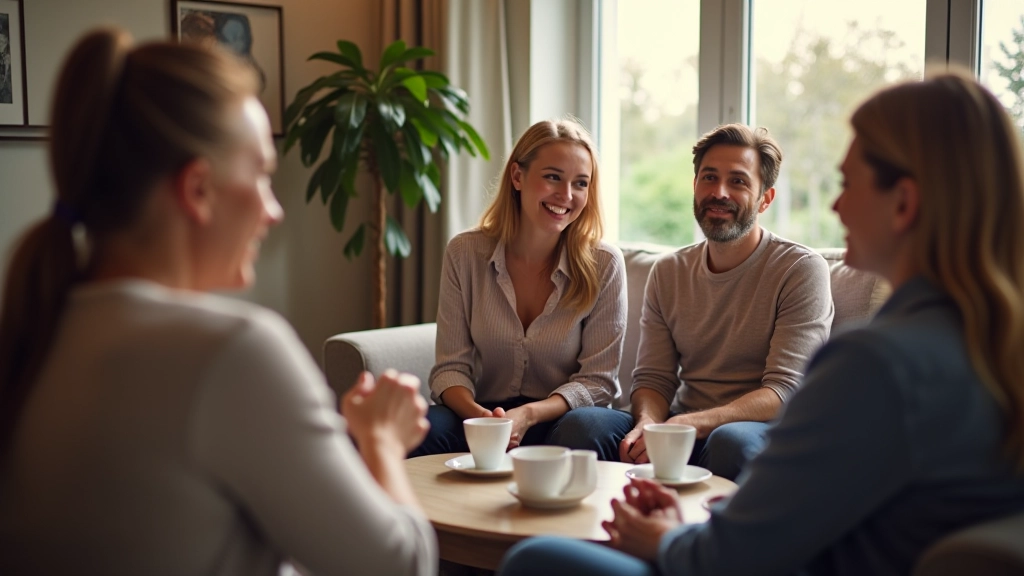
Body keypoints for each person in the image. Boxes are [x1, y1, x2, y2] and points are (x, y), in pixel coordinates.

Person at [497, 69, 1024, 576]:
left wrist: (666, 539)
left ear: (904, 203)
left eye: (847, 183)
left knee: (533, 561)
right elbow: (812, 511)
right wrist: (679, 502)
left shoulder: (878, 361)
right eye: (709, 177)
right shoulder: (987, 338)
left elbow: (734, 555)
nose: (836, 206)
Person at [0, 28, 436, 576]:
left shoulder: (33, 328)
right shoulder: (234, 351)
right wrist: (380, 441)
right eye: (261, 174)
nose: (273, 211)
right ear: (198, 190)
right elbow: (399, 568)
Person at [557, 123, 833, 480]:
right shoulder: (669, 271)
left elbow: (784, 391)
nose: (719, 192)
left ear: (766, 198)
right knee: (583, 424)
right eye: (709, 177)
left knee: (728, 441)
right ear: (694, 185)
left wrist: (692, 424)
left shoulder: (801, 269)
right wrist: (649, 425)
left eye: (738, 181)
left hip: (753, 431)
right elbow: (654, 379)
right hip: (681, 427)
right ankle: (590, 531)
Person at [410, 119, 627, 457]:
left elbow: (598, 382)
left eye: (580, 183)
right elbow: (450, 368)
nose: (566, 196)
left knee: (588, 428)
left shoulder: (604, 263)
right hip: (482, 412)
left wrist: (527, 414)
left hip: (563, 417)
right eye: (553, 177)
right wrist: (482, 419)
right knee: (421, 428)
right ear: (517, 177)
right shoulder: (465, 252)